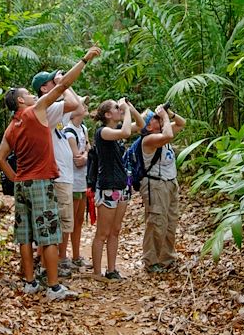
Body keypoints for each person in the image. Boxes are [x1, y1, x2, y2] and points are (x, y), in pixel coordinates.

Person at [0, 46, 101, 301]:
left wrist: (16, 177)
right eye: (27, 94)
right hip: (42, 182)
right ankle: (53, 287)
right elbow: (63, 87)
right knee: (49, 235)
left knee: (26, 235)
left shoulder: (12, 126)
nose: (32, 96)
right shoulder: (35, 111)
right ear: (21, 101)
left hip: (23, 185)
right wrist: (85, 59)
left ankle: (30, 282)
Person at [31, 68, 80, 277]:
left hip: (64, 175)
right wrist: (62, 83)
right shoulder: (46, 109)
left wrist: (63, 85)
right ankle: (47, 265)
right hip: (57, 175)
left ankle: (55, 262)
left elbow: (78, 105)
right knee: (54, 222)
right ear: (44, 88)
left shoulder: (54, 108)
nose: (58, 83)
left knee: (63, 223)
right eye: (52, 82)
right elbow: (73, 103)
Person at [91, 97, 144, 280]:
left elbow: (141, 125)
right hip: (107, 186)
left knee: (116, 229)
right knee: (103, 232)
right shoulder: (103, 132)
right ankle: (97, 272)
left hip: (122, 186)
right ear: (107, 114)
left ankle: (112, 270)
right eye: (115, 108)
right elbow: (126, 132)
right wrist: (125, 111)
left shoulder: (116, 131)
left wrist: (130, 107)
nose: (119, 109)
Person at [139, 105, 186, 273]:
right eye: (154, 117)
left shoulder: (163, 134)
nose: (158, 118)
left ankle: (166, 258)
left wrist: (170, 113)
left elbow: (181, 123)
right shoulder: (149, 139)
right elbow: (168, 135)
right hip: (156, 185)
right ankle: (151, 261)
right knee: (156, 223)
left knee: (170, 222)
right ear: (148, 126)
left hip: (170, 183)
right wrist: (165, 117)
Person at [63, 98, 90, 270]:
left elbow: (87, 150)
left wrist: (85, 154)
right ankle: (62, 256)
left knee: (79, 219)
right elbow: (78, 159)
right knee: (69, 220)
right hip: (72, 180)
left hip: (82, 181)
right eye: (82, 104)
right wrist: (86, 155)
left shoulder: (84, 129)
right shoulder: (69, 131)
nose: (85, 106)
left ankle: (76, 255)